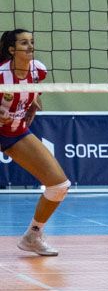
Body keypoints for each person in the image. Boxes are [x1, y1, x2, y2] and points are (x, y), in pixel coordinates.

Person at [1, 29, 68, 256]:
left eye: (32, 42)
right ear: (11, 50)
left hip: (15, 133)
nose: (30, 46)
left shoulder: (38, 70)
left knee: (59, 185)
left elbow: (35, 89)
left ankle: (33, 235)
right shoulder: (1, 75)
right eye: (23, 43)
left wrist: (34, 101)